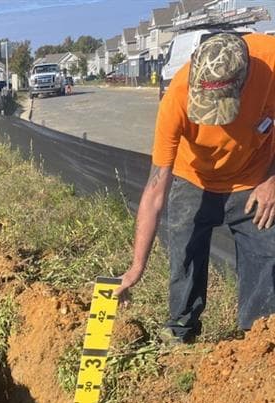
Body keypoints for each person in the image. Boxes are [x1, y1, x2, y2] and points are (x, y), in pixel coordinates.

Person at [117, 32, 275, 343]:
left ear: (244, 78)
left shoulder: (270, 62)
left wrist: (271, 180)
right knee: (185, 253)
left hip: (254, 176)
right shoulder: (176, 98)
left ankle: (260, 338)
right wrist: (136, 268)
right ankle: (181, 328)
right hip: (193, 177)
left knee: (265, 253)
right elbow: (155, 190)